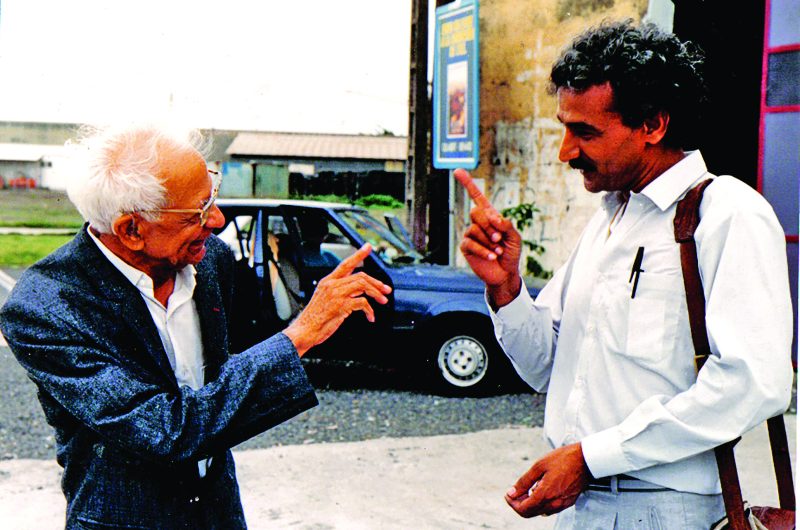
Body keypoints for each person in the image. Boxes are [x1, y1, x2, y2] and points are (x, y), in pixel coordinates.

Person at [456, 20, 793, 529]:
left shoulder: (726, 213)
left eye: (585, 132)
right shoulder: (609, 219)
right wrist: (505, 287)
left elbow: (755, 381)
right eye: (564, 128)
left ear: (653, 125)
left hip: (664, 510)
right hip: (582, 506)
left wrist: (592, 457)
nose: (566, 152)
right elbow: (546, 367)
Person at [0, 123, 392, 529]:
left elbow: (235, 366)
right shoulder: (46, 307)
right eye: (198, 212)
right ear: (131, 230)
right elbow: (165, 430)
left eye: (213, 197)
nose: (218, 219)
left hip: (218, 512)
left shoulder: (209, 260)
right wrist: (298, 336)